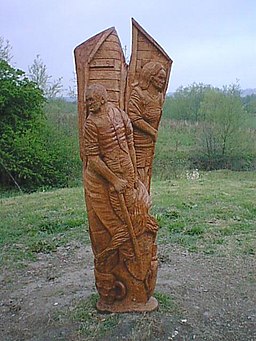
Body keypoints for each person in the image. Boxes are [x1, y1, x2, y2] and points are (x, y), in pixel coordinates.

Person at [82, 84, 158, 311]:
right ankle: (124, 261)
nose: (88, 104)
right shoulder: (91, 124)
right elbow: (93, 159)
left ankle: (139, 273)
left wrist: (133, 172)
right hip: (110, 178)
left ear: (102, 98)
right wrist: (113, 180)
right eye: (86, 101)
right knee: (121, 221)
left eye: (91, 100)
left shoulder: (119, 114)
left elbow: (129, 142)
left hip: (127, 172)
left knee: (137, 215)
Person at [128, 62, 167, 192]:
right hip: (137, 142)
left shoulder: (159, 97)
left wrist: (153, 134)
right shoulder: (138, 94)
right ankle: (137, 201)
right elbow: (133, 116)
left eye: (164, 78)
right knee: (138, 172)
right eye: (160, 78)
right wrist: (151, 131)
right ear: (150, 77)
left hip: (149, 143)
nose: (163, 81)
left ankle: (143, 202)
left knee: (146, 170)